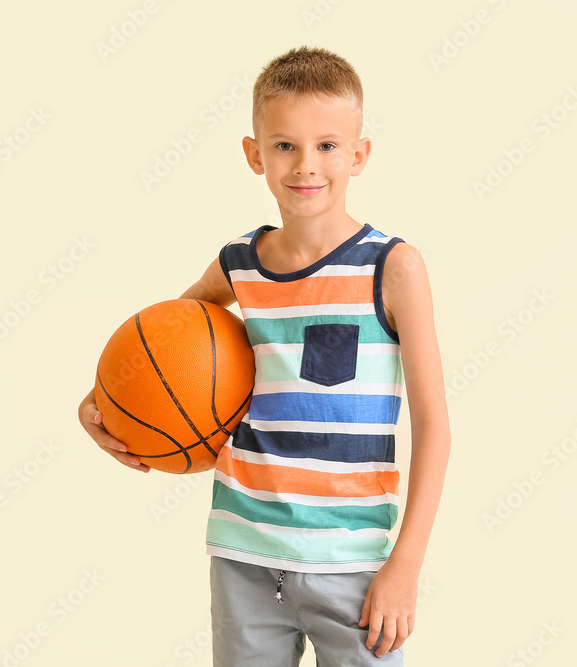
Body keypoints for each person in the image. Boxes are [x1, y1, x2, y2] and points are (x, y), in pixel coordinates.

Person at [79, 45, 451, 666]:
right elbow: (159, 352)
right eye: (284, 145)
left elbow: (435, 425)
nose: (306, 165)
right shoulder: (238, 264)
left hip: (352, 561)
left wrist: (405, 564)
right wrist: (101, 409)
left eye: (328, 145)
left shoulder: (393, 268)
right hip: (244, 552)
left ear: (359, 154)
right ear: (254, 154)